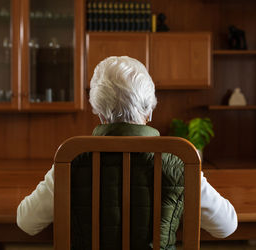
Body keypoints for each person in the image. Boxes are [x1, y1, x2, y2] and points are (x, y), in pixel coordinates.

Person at [17, 56, 237, 249]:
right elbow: (225, 226)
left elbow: (27, 222)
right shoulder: (178, 161)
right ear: (149, 111)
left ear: (100, 114)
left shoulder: (73, 159)